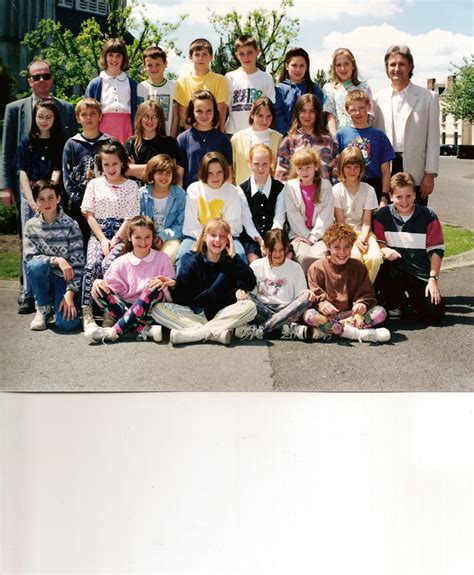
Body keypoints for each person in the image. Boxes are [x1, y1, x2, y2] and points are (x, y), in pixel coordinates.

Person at [1, 59, 77, 313]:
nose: (41, 80)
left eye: (46, 75)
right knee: (29, 240)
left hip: (54, 193)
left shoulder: (66, 109)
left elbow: (66, 154)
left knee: (56, 239)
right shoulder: (15, 109)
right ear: (29, 81)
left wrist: (54, 190)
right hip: (28, 192)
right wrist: (6, 186)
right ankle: (28, 293)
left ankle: (55, 289)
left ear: (51, 78)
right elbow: (7, 151)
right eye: (36, 77)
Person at [151, 217, 257, 345]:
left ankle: (194, 334)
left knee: (250, 307)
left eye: (222, 236)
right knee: (158, 309)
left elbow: (250, 283)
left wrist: (234, 256)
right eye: (213, 235)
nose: (217, 240)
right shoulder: (192, 261)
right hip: (194, 314)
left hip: (221, 314)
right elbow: (180, 298)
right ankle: (214, 333)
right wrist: (176, 285)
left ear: (228, 240)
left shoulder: (231, 263)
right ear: (205, 237)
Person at [85, 215, 175, 344]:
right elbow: (110, 288)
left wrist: (166, 282)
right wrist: (97, 282)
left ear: (153, 237)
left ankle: (113, 332)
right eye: (137, 237)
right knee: (99, 289)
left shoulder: (163, 258)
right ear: (129, 237)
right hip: (124, 307)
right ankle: (143, 329)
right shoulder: (121, 262)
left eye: (147, 237)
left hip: (150, 311)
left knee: (155, 287)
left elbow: (171, 285)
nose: (143, 242)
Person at [80, 143, 140, 327]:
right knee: (92, 265)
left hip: (121, 235)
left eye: (115, 164)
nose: (111, 169)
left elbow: (130, 217)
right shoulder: (94, 184)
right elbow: (88, 214)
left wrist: (114, 240)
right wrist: (103, 239)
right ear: (101, 165)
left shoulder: (132, 186)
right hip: (99, 233)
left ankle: (110, 310)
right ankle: (87, 311)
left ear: (122, 163)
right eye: (106, 165)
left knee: (109, 265)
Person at [374, 172, 446, 325]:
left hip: (419, 274)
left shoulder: (428, 215)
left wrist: (433, 280)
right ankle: (394, 302)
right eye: (399, 197)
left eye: (408, 196)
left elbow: (436, 250)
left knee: (435, 316)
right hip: (395, 271)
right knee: (385, 267)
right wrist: (383, 248)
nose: (404, 201)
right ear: (391, 196)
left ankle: (413, 301)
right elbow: (379, 242)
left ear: (415, 194)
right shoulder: (382, 215)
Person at [373, 44, 439, 205]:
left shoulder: (429, 97)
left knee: (416, 223)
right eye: (392, 64)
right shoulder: (376, 99)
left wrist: (430, 174)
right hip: (386, 168)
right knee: (386, 221)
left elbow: (433, 139)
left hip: (416, 170)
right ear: (386, 68)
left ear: (410, 66)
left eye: (401, 64)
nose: (396, 68)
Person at [303, 223, 391, 343]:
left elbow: (367, 294)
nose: (342, 252)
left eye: (347, 247)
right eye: (337, 247)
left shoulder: (358, 267)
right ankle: (357, 333)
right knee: (309, 315)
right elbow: (314, 296)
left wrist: (362, 304)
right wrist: (322, 304)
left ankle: (334, 330)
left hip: (350, 315)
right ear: (328, 246)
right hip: (328, 316)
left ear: (352, 247)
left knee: (380, 312)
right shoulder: (317, 268)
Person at [15, 100, 64, 314]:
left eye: (49, 117)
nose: (44, 121)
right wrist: (32, 200)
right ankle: (28, 293)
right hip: (31, 199)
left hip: (50, 197)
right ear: (35, 118)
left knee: (51, 242)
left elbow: (56, 170)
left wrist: (48, 197)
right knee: (30, 245)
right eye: (40, 117)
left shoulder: (58, 142)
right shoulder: (27, 142)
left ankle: (50, 291)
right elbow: (22, 172)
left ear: (55, 120)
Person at [234, 229, 317, 341]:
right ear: (265, 249)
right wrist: (241, 292)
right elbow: (250, 294)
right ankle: (285, 329)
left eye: (281, 250)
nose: (277, 254)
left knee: (306, 299)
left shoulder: (295, 267)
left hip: (288, 310)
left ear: (286, 248)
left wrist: (307, 294)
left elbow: (300, 297)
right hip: (262, 309)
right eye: (273, 250)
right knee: (246, 299)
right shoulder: (256, 265)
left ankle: (261, 330)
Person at [23, 180, 84, 332]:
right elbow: (29, 259)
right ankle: (43, 309)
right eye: (41, 199)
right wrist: (57, 260)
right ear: (36, 201)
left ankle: (61, 304)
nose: (46, 202)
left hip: (64, 280)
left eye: (51, 197)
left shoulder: (71, 225)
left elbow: (78, 264)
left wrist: (70, 293)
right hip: (43, 277)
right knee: (36, 265)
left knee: (67, 325)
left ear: (58, 199)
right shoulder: (31, 225)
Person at [62, 97, 117, 248]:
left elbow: (118, 174)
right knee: (80, 245)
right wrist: (80, 203)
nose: (88, 118)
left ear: (100, 116)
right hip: (79, 208)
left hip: (107, 206)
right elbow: (67, 179)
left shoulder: (110, 143)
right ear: (78, 118)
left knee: (104, 245)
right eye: (84, 114)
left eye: (93, 113)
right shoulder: (72, 144)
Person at [177, 151, 246, 268]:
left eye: (219, 172)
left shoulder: (232, 191)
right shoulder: (194, 189)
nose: (215, 177)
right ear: (204, 173)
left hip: (225, 238)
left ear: (225, 172)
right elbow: (191, 222)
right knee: (184, 254)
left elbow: (233, 223)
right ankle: (182, 286)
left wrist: (219, 239)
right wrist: (207, 240)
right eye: (210, 173)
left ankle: (238, 286)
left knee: (240, 255)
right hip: (197, 236)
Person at [336, 90, 395, 205]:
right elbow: (337, 166)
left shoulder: (379, 136)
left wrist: (384, 196)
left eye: (361, 108)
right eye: (353, 109)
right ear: (347, 111)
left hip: (374, 186)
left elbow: (386, 170)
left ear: (368, 107)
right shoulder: (341, 135)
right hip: (349, 186)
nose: (358, 113)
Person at [333, 147, 383, 283]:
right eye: (348, 167)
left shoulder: (369, 190)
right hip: (344, 234)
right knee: (354, 257)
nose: (352, 171)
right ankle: (353, 292)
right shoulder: (336, 190)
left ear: (361, 168)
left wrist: (363, 237)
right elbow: (340, 222)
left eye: (356, 167)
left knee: (375, 258)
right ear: (342, 168)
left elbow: (367, 221)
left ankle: (366, 290)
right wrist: (354, 239)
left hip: (364, 233)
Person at [283, 148, 334, 274]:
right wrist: (306, 236)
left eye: (308, 167)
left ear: (316, 167)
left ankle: (320, 289)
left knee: (320, 257)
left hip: (320, 235)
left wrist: (312, 238)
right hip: (299, 235)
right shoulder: (290, 187)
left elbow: (325, 216)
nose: (304, 172)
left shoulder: (325, 186)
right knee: (305, 256)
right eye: (300, 168)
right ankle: (305, 289)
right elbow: (293, 216)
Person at [275, 93, 339, 183]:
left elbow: (336, 173)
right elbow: (281, 174)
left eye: (312, 111)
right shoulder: (289, 140)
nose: (307, 115)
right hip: (295, 194)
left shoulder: (329, 140)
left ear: (317, 113)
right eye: (303, 111)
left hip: (323, 194)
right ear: (297, 113)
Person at [238, 143, 285, 262]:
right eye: (256, 164)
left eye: (265, 164)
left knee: (284, 258)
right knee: (254, 261)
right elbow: (247, 222)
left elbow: (279, 219)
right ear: (249, 163)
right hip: (253, 237)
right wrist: (260, 241)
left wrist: (271, 242)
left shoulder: (280, 188)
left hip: (276, 236)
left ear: (271, 163)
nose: (261, 168)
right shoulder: (242, 189)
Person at [85, 38, 138, 144]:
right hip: (102, 128)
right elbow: (87, 110)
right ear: (105, 57)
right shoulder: (95, 84)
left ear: (124, 58)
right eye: (110, 55)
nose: (114, 59)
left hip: (126, 128)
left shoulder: (132, 84)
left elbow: (137, 111)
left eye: (118, 55)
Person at [176, 90, 232, 190]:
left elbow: (228, 174)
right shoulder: (183, 139)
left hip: (217, 197)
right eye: (199, 111)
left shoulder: (223, 139)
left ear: (214, 111)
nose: (204, 116)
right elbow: (179, 175)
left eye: (208, 111)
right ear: (192, 112)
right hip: (191, 198)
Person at [224, 34, 276, 136]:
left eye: (250, 52)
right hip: (233, 133)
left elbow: (270, 108)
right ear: (236, 55)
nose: (246, 57)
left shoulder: (266, 78)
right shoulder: (230, 77)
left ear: (257, 52)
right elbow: (224, 107)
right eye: (242, 54)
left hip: (258, 132)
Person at [139, 154, 186, 264]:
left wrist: (162, 236)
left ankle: (160, 280)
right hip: (144, 237)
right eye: (160, 173)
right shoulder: (142, 194)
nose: (164, 177)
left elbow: (181, 225)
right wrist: (149, 237)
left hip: (170, 238)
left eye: (168, 173)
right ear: (152, 174)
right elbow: (137, 221)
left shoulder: (180, 195)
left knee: (166, 257)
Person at [174, 38, 228, 132]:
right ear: (190, 57)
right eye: (197, 55)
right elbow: (183, 112)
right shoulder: (182, 81)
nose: (200, 58)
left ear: (211, 57)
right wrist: (192, 134)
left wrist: (213, 132)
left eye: (204, 54)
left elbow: (221, 110)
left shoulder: (220, 80)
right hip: (189, 131)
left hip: (213, 131)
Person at [231, 97, 282, 185]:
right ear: (252, 115)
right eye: (260, 116)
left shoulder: (279, 138)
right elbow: (232, 170)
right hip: (243, 191)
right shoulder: (237, 139)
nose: (264, 121)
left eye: (268, 116)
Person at [274, 47, 325, 136]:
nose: (298, 69)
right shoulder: (279, 89)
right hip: (286, 139)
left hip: (312, 138)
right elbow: (277, 117)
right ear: (286, 66)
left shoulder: (315, 89)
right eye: (294, 65)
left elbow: (321, 115)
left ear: (307, 67)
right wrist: (292, 135)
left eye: (302, 65)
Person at [124, 101, 180, 183]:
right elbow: (126, 171)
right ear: (140, 118)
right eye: (146, 116)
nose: (150, 121)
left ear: (159, 119)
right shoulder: (131, 142)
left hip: (160, 191)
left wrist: (136, 170)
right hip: (136, 190)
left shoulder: (169, 142)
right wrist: (158, 168)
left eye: (154, 117)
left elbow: (170, 170)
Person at [323, 48, 374, 135]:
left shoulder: (364, 87)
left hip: (360, 137)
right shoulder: (329, 88)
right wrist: (335, 139)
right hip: (339, 136)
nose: (343, 68)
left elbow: (368, 116)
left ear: (353, 66)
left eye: (346, 64)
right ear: (334, 68)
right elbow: (330, 116)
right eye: (338, 65)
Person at [137, 46, 178, 137]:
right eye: (150, 65)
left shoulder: (173, 86)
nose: (154, 68)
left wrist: (172, 138)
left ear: (165, 64)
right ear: (144, 67)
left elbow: (175, 117)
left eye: (157, 64)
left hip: (166, 138)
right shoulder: (141, 87)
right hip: (147, 137)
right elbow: (139, 116)